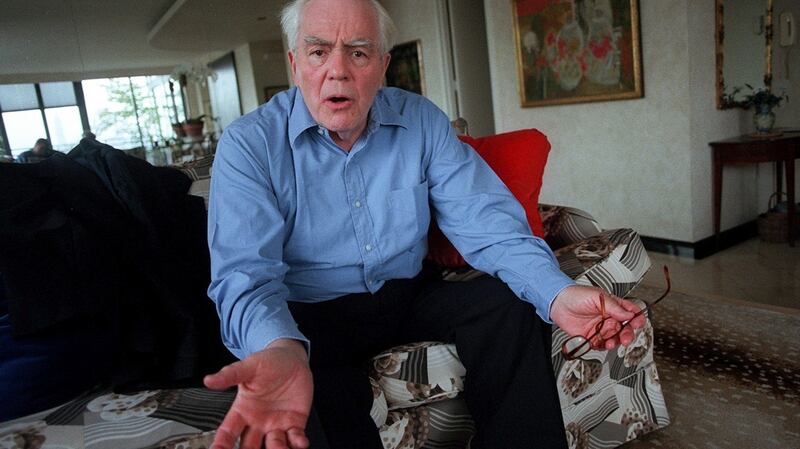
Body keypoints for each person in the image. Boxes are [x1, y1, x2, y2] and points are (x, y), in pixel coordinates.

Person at [204, 1, 646, 448]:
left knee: (506, 306)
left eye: (358, 52)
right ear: (295, 64)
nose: (337, 71)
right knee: (322, 394)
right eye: (318, 52)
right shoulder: (249, 144)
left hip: (404, 292)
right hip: (309, 314)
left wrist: (557, 293)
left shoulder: (420, 120)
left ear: (382, 65)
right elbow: (246, 277)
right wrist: (278, 348)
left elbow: (487, 222)